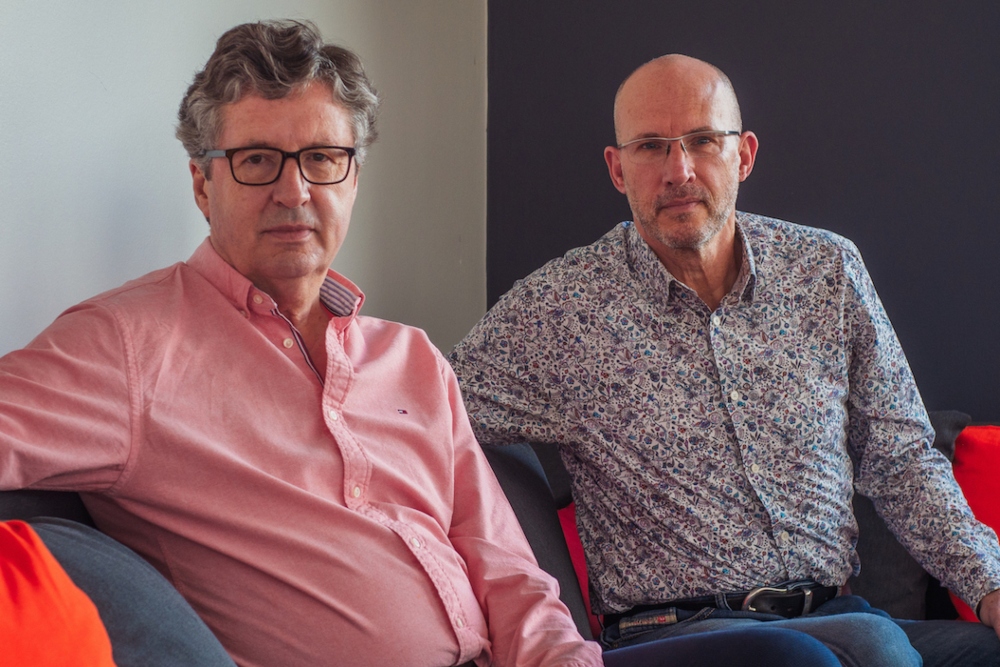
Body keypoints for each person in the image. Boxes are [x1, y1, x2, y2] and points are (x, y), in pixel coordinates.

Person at [0, 22, 845, 667]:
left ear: (353, 177)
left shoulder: (409, 356)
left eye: (323, 158)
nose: (294, 190)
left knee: (794, 655)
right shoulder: (126, 346)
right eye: (257, 159)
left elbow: (503, 564)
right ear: (202, 181)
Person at [450, 53, 1000, 666]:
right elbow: (421, 408)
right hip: (673, 634)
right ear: (617, 168)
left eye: (703, 141)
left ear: (744, 155)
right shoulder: (559, 308)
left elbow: (900, 460)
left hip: (840, 616)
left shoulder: (827, 272)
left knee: (976, 651)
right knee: (845, 654)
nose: (678, 170)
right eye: (651, 147)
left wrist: (991, 588)